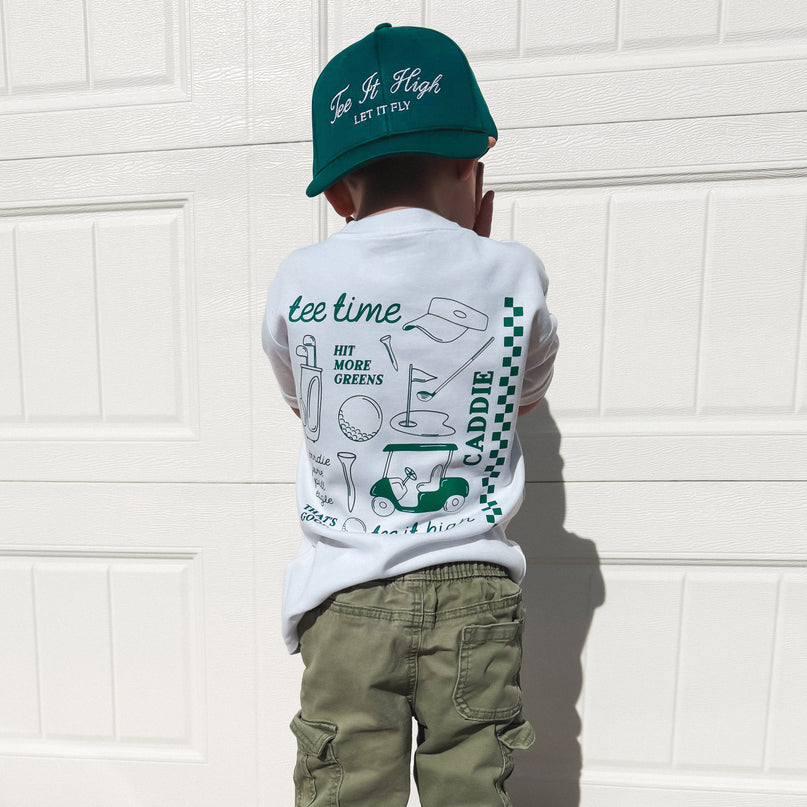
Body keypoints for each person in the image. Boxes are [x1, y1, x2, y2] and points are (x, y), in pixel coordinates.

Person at [261, 22, 559, 807]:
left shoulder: (300, 277)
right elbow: (522, 393)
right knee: (471, 781)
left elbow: (304, 400)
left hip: (344, 592)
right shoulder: (515, 272)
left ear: (335, 193)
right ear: (473, 170)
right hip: (476, 593)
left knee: (345, 786)